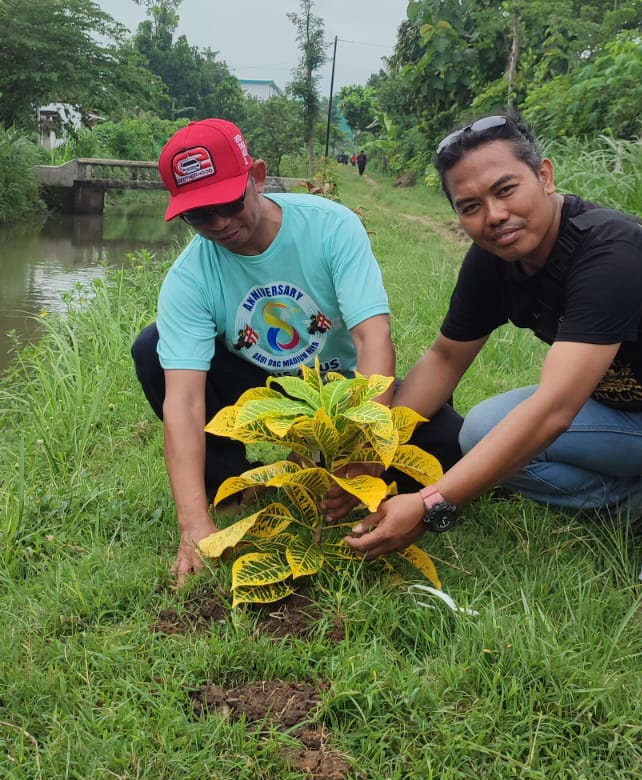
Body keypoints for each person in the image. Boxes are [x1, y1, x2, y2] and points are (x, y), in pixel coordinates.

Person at [346, 112, 642, 631]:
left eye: (506, 190)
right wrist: (367, 451)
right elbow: (445, 359)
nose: (494, 216)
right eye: (471, 207)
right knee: (482, 429)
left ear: (544, 176)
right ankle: (635, 509)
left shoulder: (612, 251)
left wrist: (431, 504)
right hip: (628, 418)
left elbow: (553, 410)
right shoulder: (492, 262)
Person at [132, 118, 462, 585]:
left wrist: (363, 447)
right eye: (200, 216)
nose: (220, 224)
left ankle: (338, 469)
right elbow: (183, 403)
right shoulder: (190, 277)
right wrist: (193, 525)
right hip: (268, 390)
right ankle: (228, 489)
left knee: (449, 441)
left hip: (340, 395)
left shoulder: (330, 228)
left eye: (228, 203)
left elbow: (372, 338)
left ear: (257, 177)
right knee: (153, 348)